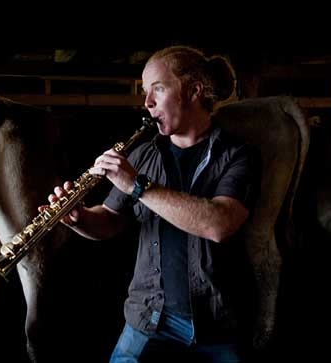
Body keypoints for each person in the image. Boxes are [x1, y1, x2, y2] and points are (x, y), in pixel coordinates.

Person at [44, 45, 262, 362]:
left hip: (217, 323)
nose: (147, 103)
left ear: (193, 90)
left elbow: (219, 224)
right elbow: (109, 218)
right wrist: (78, 218)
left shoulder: (239, 155)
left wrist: (137, 185)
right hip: (148, 319)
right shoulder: (143, 154)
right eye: (146, 92)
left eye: (157, 89)